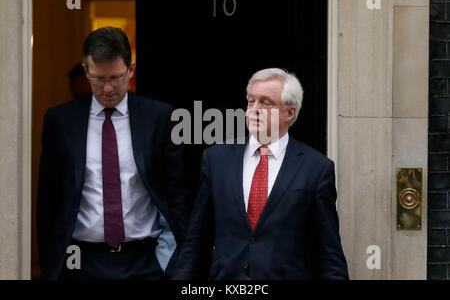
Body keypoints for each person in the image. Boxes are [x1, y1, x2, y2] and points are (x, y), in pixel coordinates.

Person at [37, 27, 190, 280]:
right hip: (81, 262)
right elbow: (48, 201)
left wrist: (177, 265)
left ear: (131, 69)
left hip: (147, 261)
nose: (108, 88)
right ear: (86, 71)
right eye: (98, 79)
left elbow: (178, 195)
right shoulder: (60, 121)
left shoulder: (159, 118)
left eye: (116, 78)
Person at [175, 68, 349, 280]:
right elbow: (197, 239)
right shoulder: (216, 159)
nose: (254, 110)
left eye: (266, 103)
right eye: (251, 101)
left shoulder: (316, 168)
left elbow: (329, 252)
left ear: (290, 113)